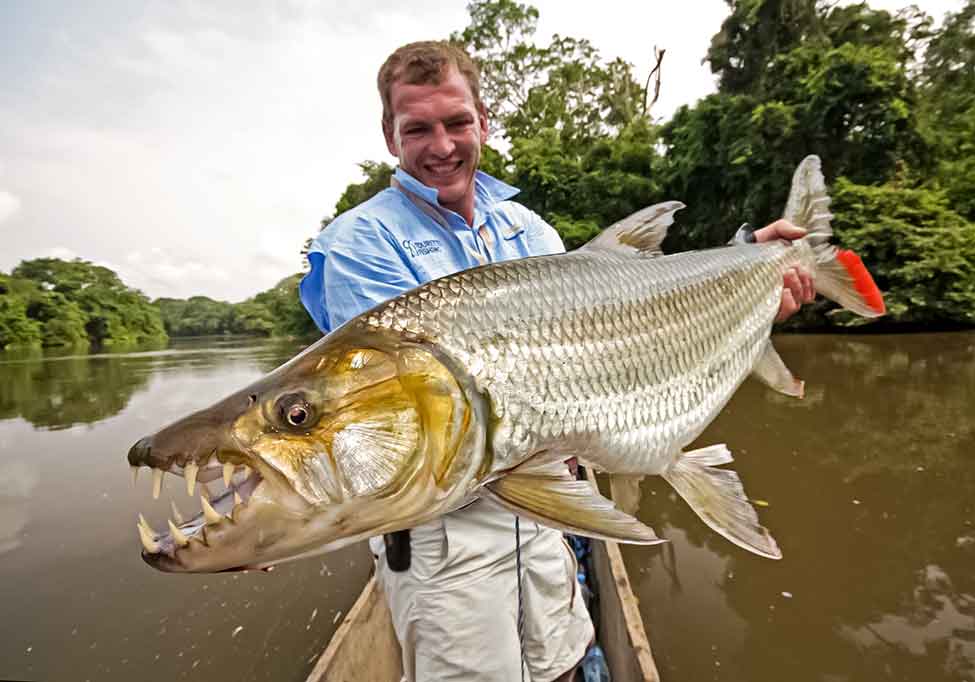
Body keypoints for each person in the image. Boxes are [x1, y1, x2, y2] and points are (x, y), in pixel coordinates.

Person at [299, 40, 814, 682]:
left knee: (564, 663)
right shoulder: (358, 245)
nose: (442, 146)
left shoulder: (530, 231)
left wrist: (748, 271)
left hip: (547, 515)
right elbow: (402, 427)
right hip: (445, 544)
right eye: (418, 129)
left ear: (483, 121)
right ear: (389, 135)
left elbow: (625, 321)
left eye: (457, 122)